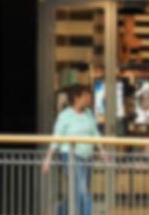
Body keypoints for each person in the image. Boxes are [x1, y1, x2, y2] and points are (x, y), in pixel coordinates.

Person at [43, 85, 101, 215]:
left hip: (87, 156)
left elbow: (95, 133)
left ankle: (61, 211)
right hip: (71, 156)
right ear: (76, 98)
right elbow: (57, 137)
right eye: (86, 96)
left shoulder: (88, 113)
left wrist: (102, 150)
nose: (89, 98)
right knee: (81, 191)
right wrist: (48, 158)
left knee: (80, 190)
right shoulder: (65, 115)